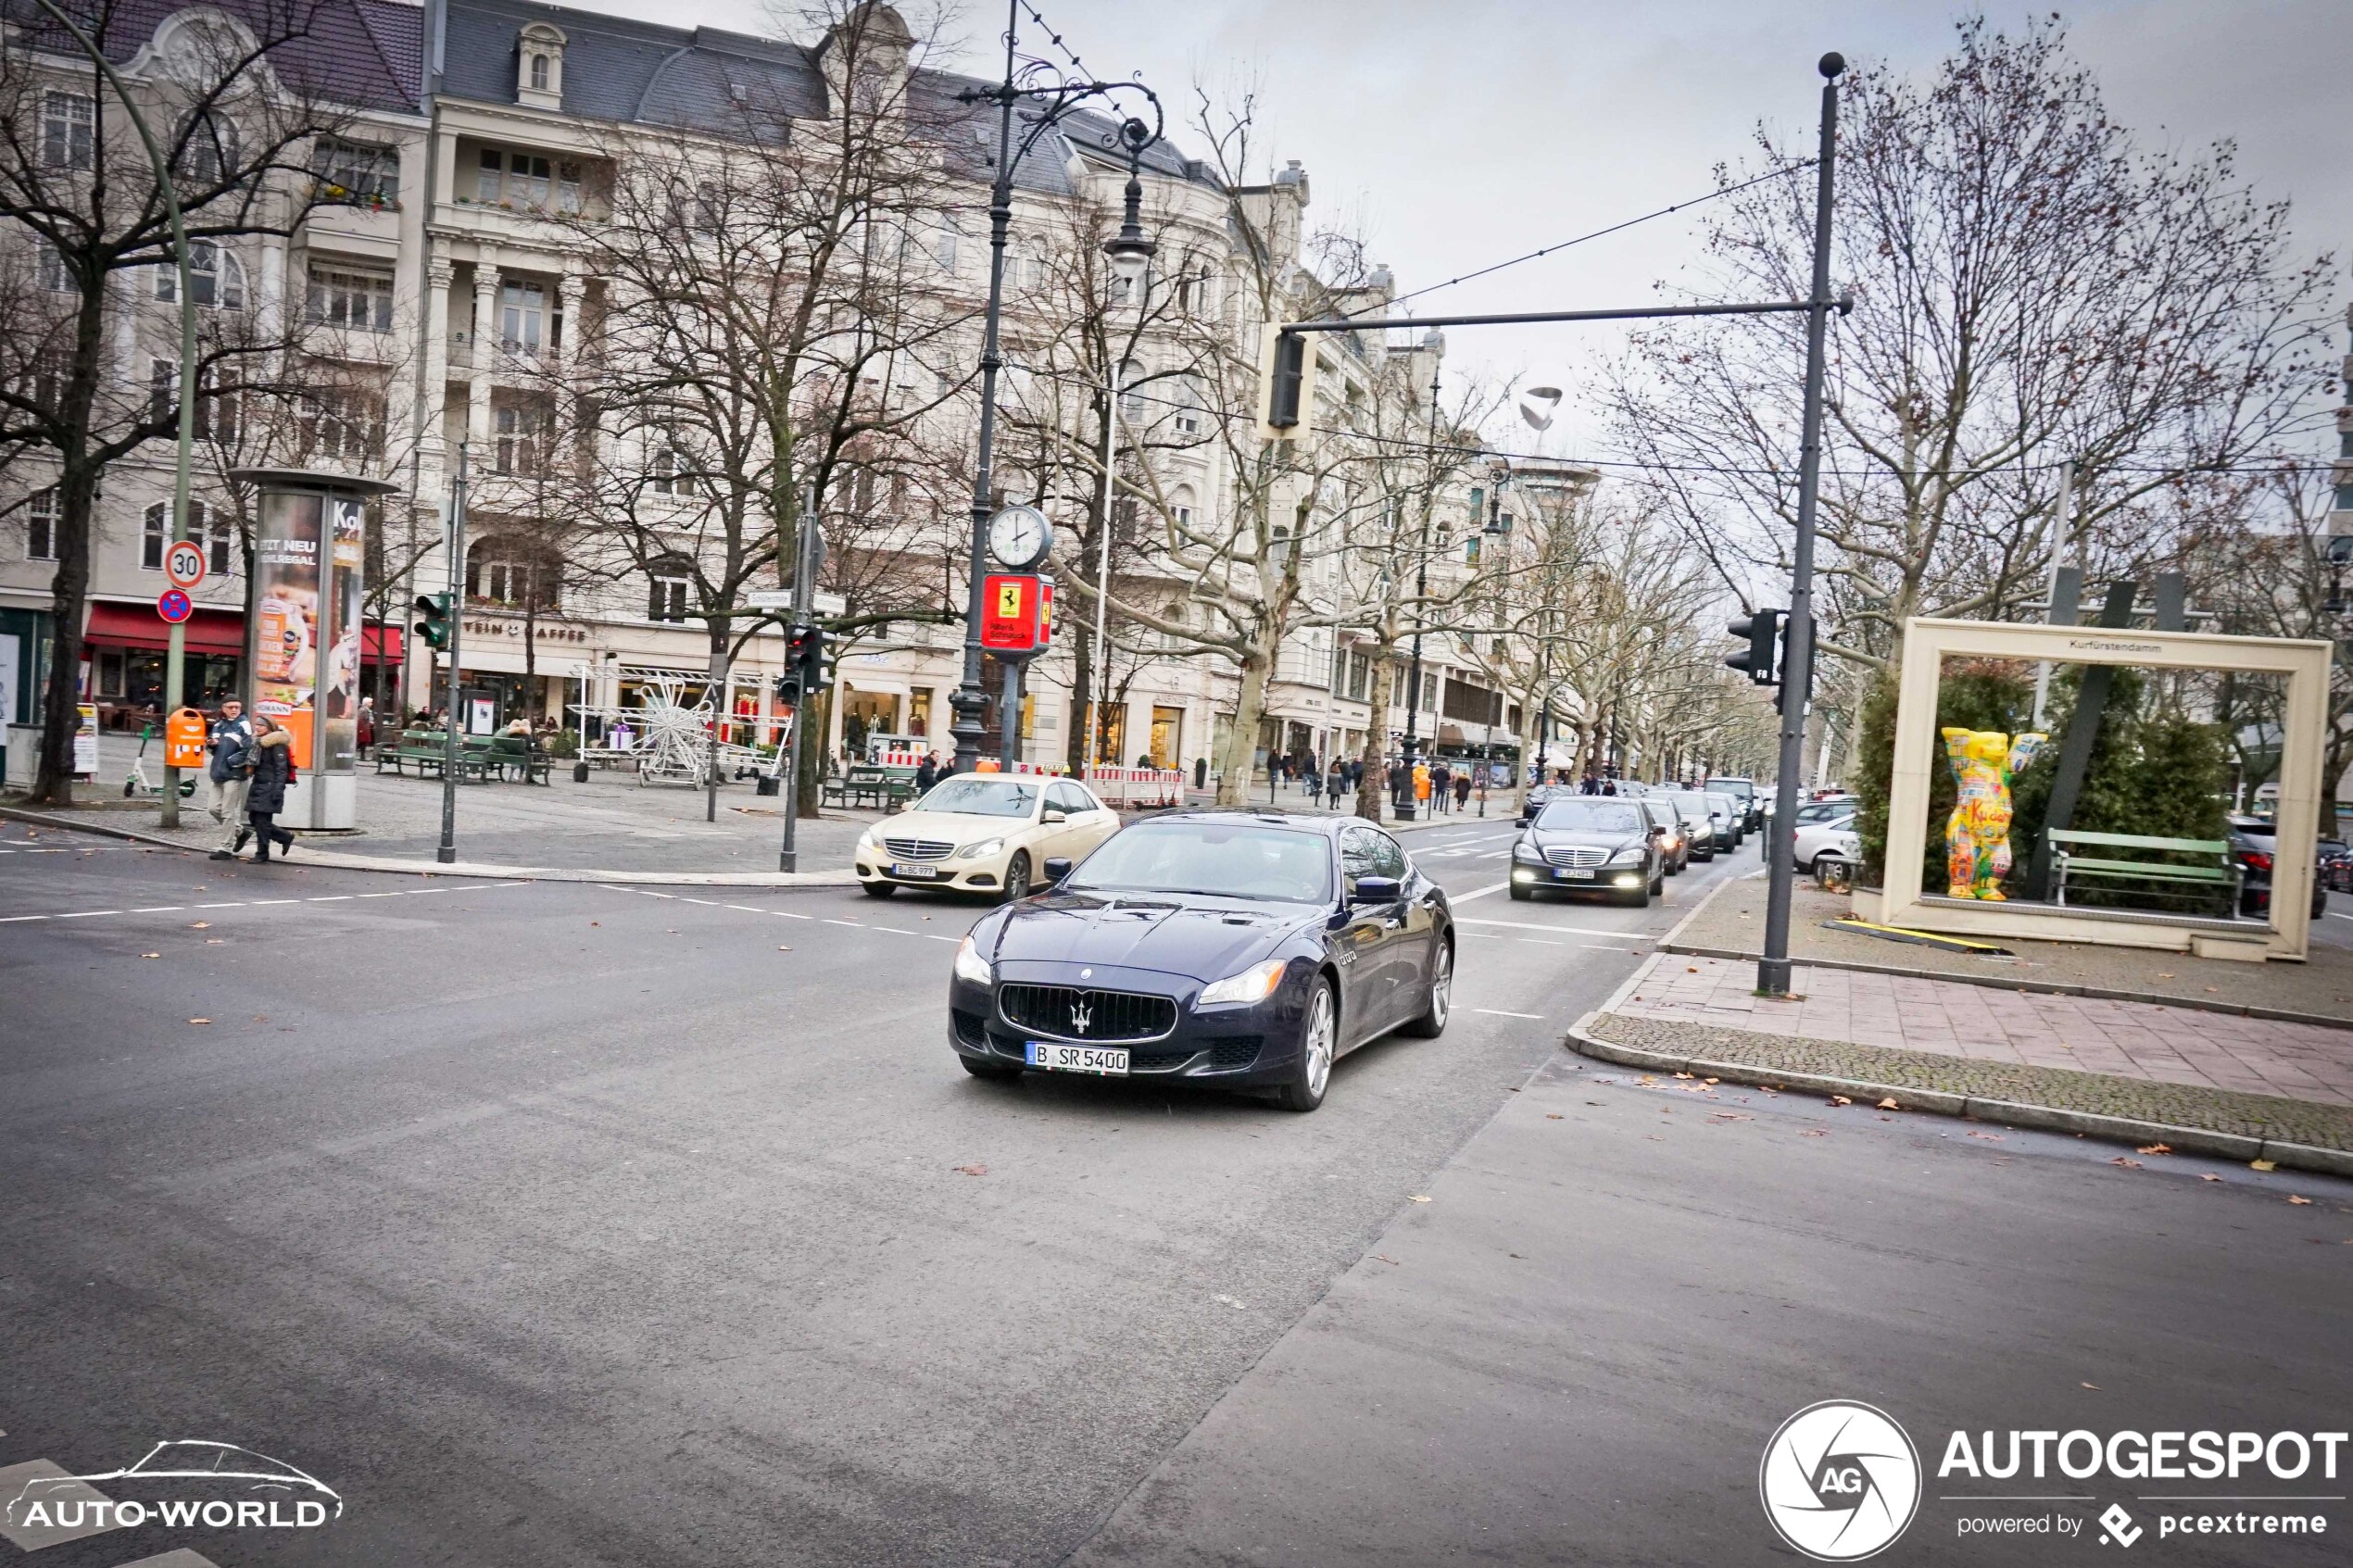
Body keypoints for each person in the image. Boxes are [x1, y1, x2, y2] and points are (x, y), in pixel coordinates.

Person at [242, 715, 297, 862]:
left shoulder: (277, 744)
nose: (257, 727)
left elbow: (281, 770)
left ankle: (262, 854)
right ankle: (285, 837)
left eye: (261, 725)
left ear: (269, 728)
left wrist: (278, 790)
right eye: (257, 724)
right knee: (255, 819)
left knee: (261, 821)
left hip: (270, 787)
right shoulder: (259, 743)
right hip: (259, 785)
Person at [204, 699, 254, 860]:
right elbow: (213, 748)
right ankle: (240, 831)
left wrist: (230, 761)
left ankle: (226, 848)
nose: (234, 709)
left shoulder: (244, 725)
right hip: (218, 773)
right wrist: (211, 744)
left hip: (234, 774)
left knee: (227, 811)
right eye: (230, 707)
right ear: (223, 708)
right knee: (213, 808)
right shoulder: (219, 725)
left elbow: (248, 749)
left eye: (237, 707)